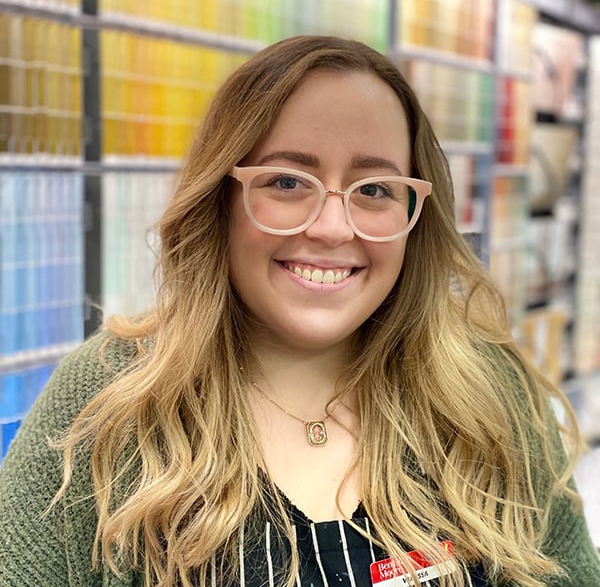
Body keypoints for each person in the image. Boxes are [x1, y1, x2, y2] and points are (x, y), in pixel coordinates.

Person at [0, 35, 598, 587]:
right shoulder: (108, 400)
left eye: (374, 190)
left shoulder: (490, 392)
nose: (333, 228)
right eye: (287, 182)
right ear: (221, 200)